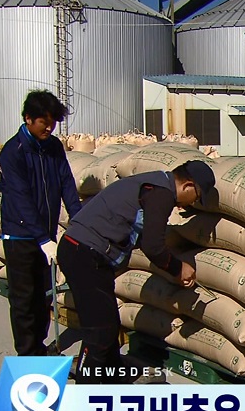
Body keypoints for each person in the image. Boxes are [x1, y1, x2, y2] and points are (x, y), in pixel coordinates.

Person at [57, 161, 216, 384]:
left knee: (108, 321)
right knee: (100, 330)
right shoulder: (162, 194)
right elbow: (153, 247)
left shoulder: (155, 183)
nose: (194, 203)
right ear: (188, 185)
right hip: (83, 253)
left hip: (83, 251)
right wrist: (178, 268)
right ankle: (86, 393)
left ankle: (113, 377)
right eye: (197, 197)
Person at [0, 90, 82, 356]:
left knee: (45, 295)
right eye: (43, 122)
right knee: (24, 299)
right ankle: (27, 353)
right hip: (21, 237)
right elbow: (20, 198)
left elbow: (67, 183)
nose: (49, 127)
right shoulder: (13, 152)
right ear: (28, 119)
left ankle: (39, 345)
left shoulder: (53, 147)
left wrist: (78, 220)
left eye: (53, 122)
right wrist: (42, 238)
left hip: (45, 234)